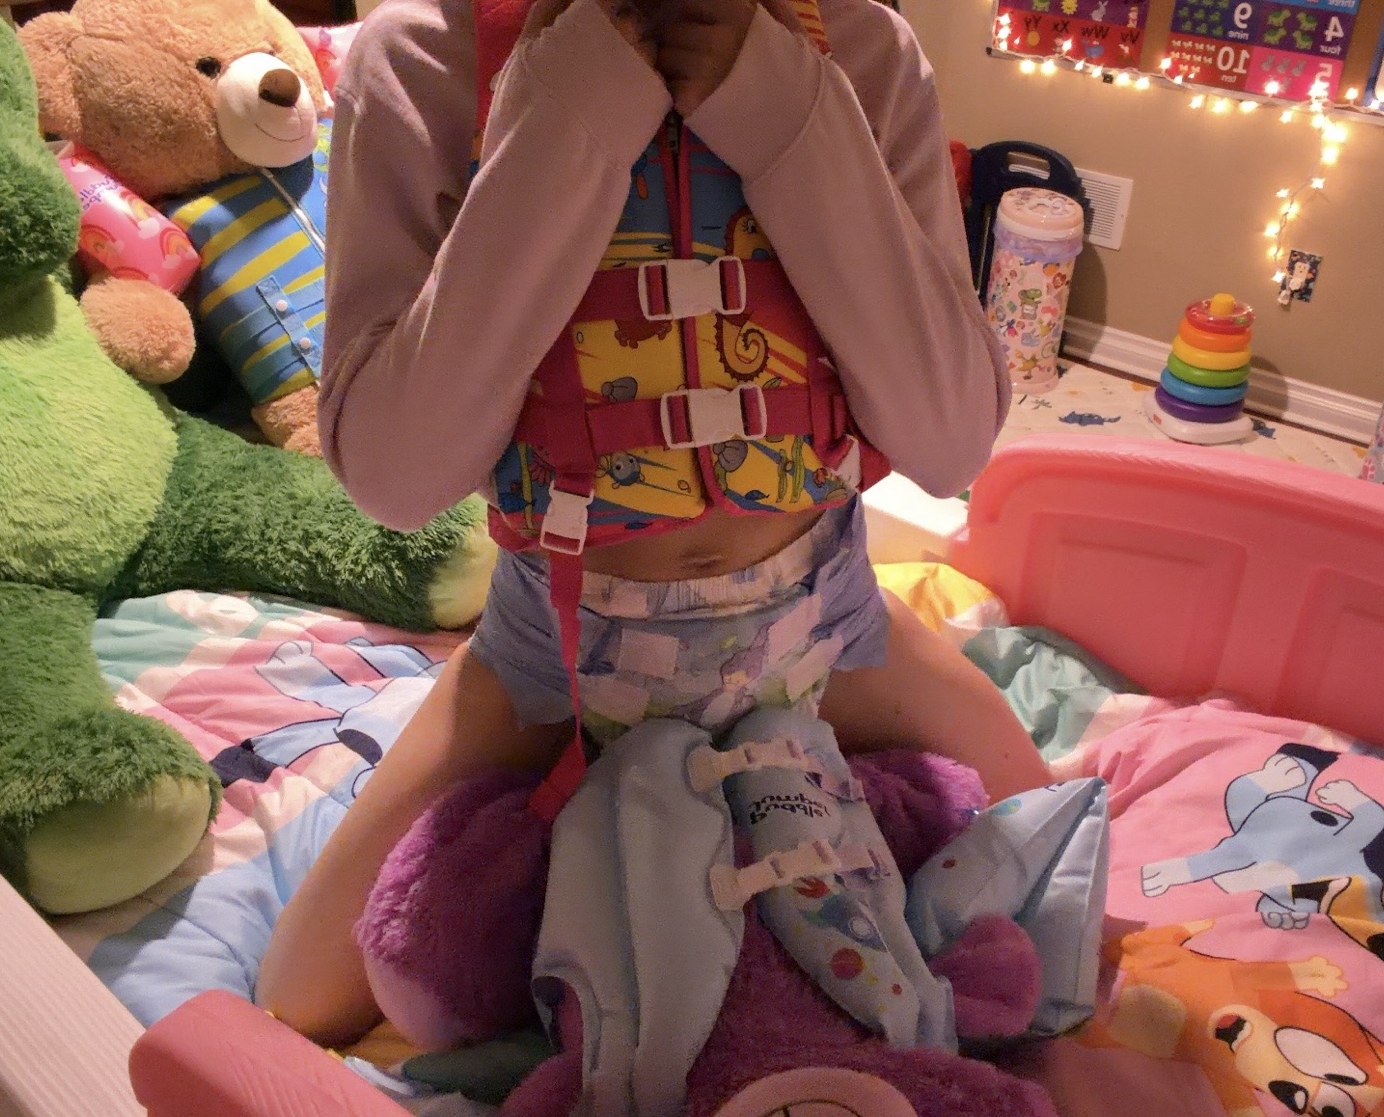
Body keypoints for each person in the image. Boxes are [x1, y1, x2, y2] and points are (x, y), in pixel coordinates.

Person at [258, 0, 1054, 1047]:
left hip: (827, 633)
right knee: (298, 999)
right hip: (557, 666)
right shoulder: (417, 57)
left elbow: (948, 444)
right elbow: (398, 479)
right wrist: (569, 119)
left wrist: (789, 115)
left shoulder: (865, 46)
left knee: (1054, 863)